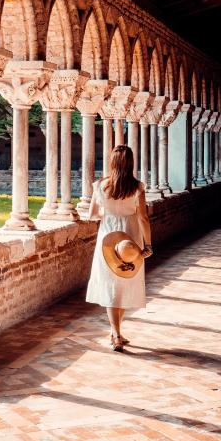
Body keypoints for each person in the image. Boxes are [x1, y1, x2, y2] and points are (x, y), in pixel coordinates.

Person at [85, 144, 153, 352]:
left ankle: (116, 332)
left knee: (111, 284)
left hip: (108, 238)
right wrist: (148, 244)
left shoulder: (100, 186)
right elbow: (142, 217)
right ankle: (116, 333)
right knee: (124, 282)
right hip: (130, 239)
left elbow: (92, 215)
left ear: (112, 162)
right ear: (131, 163)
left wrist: (110, 213)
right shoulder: (137, 187)